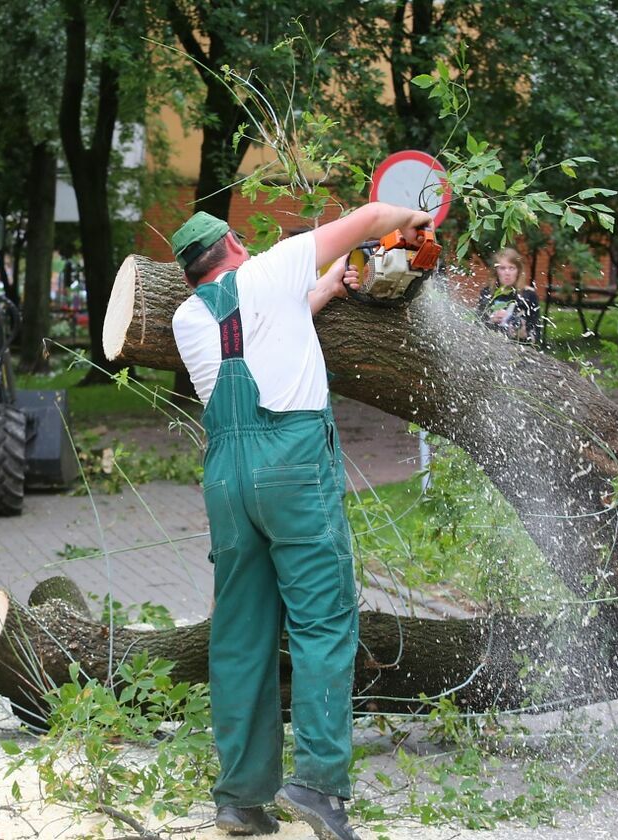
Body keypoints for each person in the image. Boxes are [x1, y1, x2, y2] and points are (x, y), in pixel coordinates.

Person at [169, 205, 432, 840]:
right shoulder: (270, 269)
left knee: (241, 634)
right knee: (322, 623)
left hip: (229, 478)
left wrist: (322, 289)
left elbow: (259, 330)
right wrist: (410, 212)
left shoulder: (188, 318)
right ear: (235, 244)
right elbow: (371, 217)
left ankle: (240, 798)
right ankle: (317, 785)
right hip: (290, 463)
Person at [476, 247, 540, 343]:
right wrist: (491, 320)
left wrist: (523, 334)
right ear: (496, 271)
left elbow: (536, 334)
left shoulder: (528, 295)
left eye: (511, 268)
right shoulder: (487, 293)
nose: (507, 273)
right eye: (502, 268)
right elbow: (476, 327)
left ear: (518, 271)